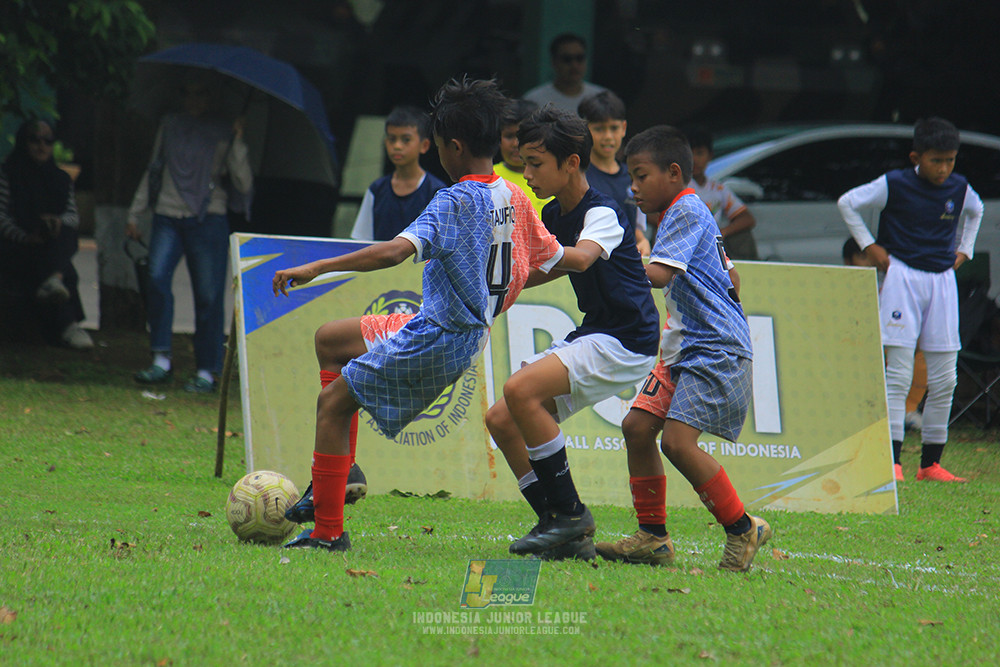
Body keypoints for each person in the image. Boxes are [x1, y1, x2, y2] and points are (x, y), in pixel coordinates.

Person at [271, 78, 579, 553]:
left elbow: (394, 253)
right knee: (331, 339)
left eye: (436, 146)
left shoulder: (453, 200)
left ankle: (329, 532)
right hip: (443, 326)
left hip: (437, 336)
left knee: (332, 406)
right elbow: (553, 262)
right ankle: (342, 471)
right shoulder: (515, 198)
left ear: (453, 147)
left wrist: (318, 267)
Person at [485, 107, 659, 561]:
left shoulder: (604, 211)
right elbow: (535, 269)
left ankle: (570, 513)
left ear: (571, 164)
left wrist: (525, 258)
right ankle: (561, 529)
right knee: (501, 419)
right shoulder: (549, 212)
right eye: (523, 163)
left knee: (520, 391)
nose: (528, 173)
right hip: (597, 332)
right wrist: (494, 292)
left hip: (628, 338)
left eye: (536, 164)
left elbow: (580, 259)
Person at [596, 125, 771, 571]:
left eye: (640, 175)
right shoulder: (689, 212)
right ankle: (653, 538)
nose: (633, 186)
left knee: (676, 442)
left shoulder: (685, 209)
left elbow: (658, 275)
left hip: (713, 347)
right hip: (686, 346)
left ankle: (742, 528)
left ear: (674, 173)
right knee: (637, 427)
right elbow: (733, 277)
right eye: (631, 177)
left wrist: (603, 256)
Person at [838, 117, 982, 483]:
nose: (944, 169)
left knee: (945, 377)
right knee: (899, 374)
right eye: (937, 161)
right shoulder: (895, 183)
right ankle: (893, 462)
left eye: (950, 161)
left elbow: (976, 211)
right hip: (902, 277)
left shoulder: (960, 187)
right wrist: (871, 247)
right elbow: (848, 203)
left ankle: (930, 464)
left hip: (942, 282)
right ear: (916, 157)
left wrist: (964, 250)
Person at [126, 78, 253, 394]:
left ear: (213, 97)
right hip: (167, 214)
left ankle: (207, 371)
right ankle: (160, 360)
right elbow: (154, 168)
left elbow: (243, 182)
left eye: (201, 92)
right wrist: (135, 212)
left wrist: (237, 141)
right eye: (187, 92)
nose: (193, 99)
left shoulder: (223, 130)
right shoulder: (169, 125)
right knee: (155, 279)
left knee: (209, 296)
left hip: (208, 217)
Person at [0, 119, 93, 349]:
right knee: (63, 271)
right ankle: (69, 324)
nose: (41, 146)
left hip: (51, 243)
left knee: (65, 236)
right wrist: (25, 236)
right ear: (24, 142)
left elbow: (72, 216)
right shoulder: (8, 174)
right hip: (17, 243)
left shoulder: (60, 179)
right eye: (35, 140)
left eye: (48, 141)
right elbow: (2, 217)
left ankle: (54, 279)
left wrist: (57, 222)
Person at [350, 106, 447, 241]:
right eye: (392, 139)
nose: (397, 146)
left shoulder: (437, 192)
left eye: (406, 139)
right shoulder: (376, 190)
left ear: (424, 145)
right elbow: (361, 241)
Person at [577, 90, 650, 255]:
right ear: (584, 130)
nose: (608, 136)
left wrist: (643, 241)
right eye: (599, 129)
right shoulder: (578, 176)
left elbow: (635, 226)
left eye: (614, 128)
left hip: (626, 271)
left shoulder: (633, 179)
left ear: (624, 128)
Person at [683, 126, 758, 260]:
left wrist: (723, 232)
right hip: (684, 245)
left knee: (742, 235)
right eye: (690, 154)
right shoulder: (677, 186)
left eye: (699, 153)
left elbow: (747, 218)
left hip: (711, 247)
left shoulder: (718, 189)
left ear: (710, 156)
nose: (694, 159)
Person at [493, 98, 552, 216]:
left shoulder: (553, 177)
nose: (515, 144)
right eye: (509, 136)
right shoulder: (489, 178)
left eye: (522, 137)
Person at [523, 33, 606, 115]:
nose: (574, 65)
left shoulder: (601, 98)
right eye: (567, 59)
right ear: (554, 62)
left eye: (579, 58)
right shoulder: (534, 100)